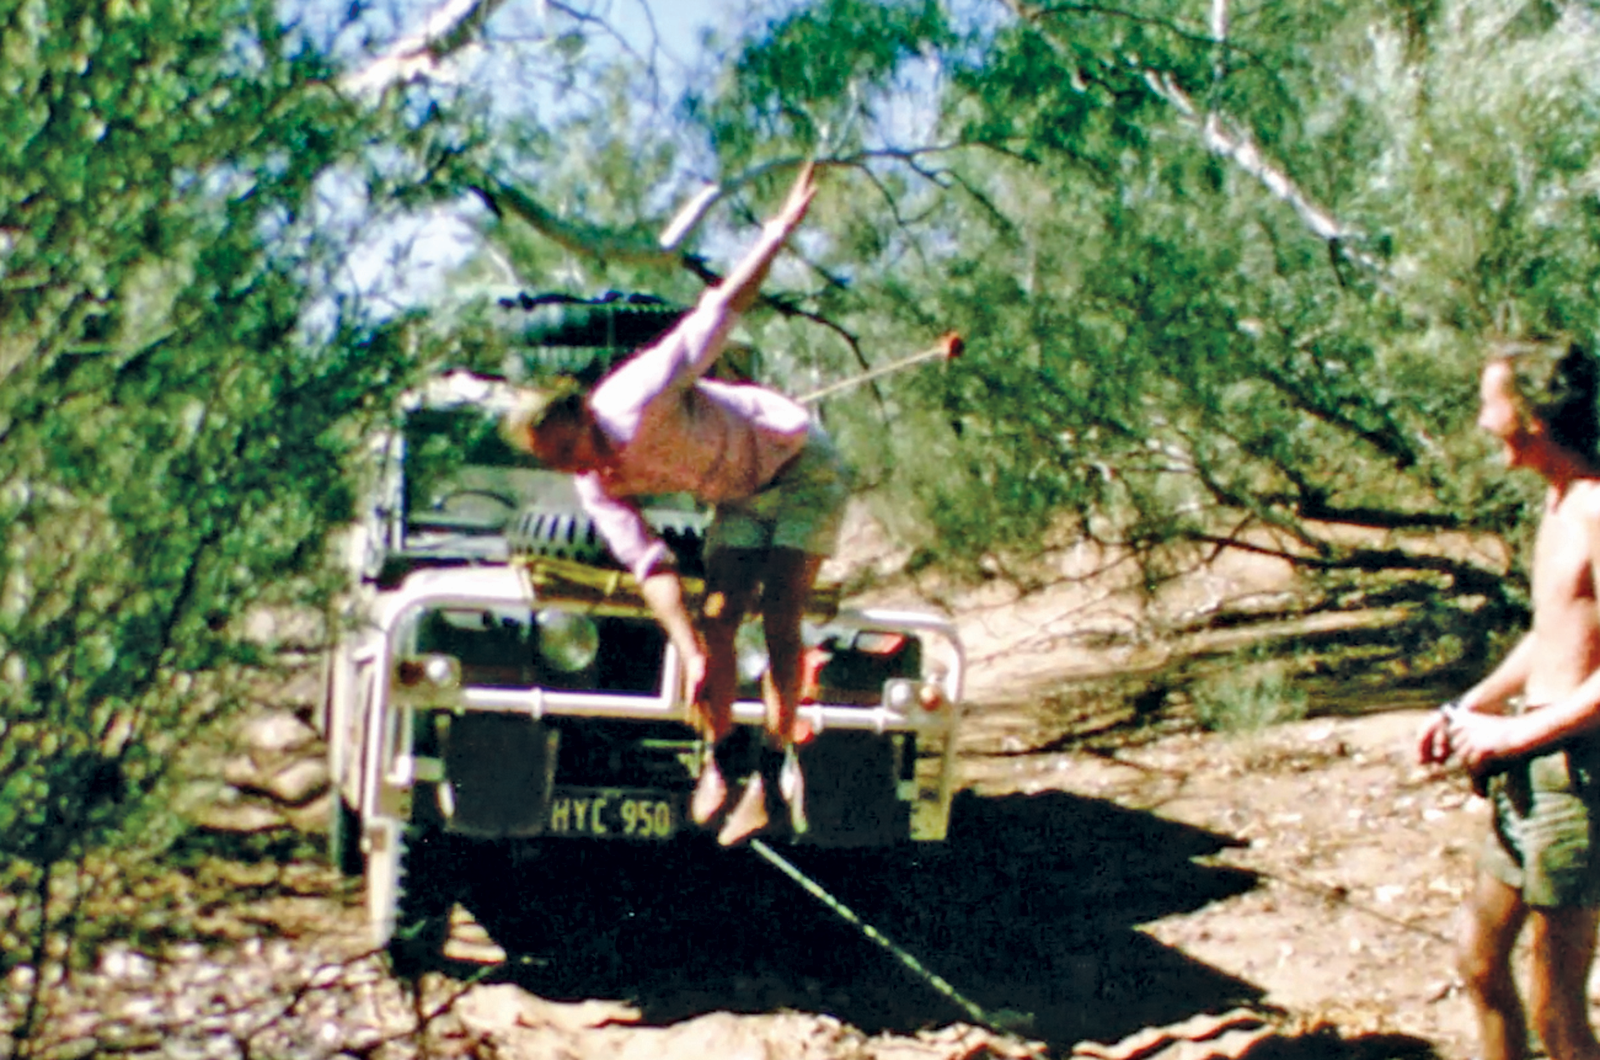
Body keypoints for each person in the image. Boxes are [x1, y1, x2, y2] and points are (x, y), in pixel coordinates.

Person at [502, 162, 849, 846]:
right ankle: (721, 765)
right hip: (742, 493)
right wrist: (688, 650)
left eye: (571, 446)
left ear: (581, 412)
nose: (575, 467)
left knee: (780, 614)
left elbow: (715, 315)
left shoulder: (635, 397)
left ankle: (772, 777)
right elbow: (652, 566)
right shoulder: (595, 482)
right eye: (557, 464)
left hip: (801, 461)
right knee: (717, 624)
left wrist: (778, 231)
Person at [1418, 338, 1600, 1060]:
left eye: (1488, 403)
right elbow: (1554, 634)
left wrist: (1517, 737)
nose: (1482, 421)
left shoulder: (1594, 505)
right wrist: (1474, 707)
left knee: (1559, 1013)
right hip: (1530, 768)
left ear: (1529, 412)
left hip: (1578, 781)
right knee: (1480, 962)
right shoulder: (1557, 502)